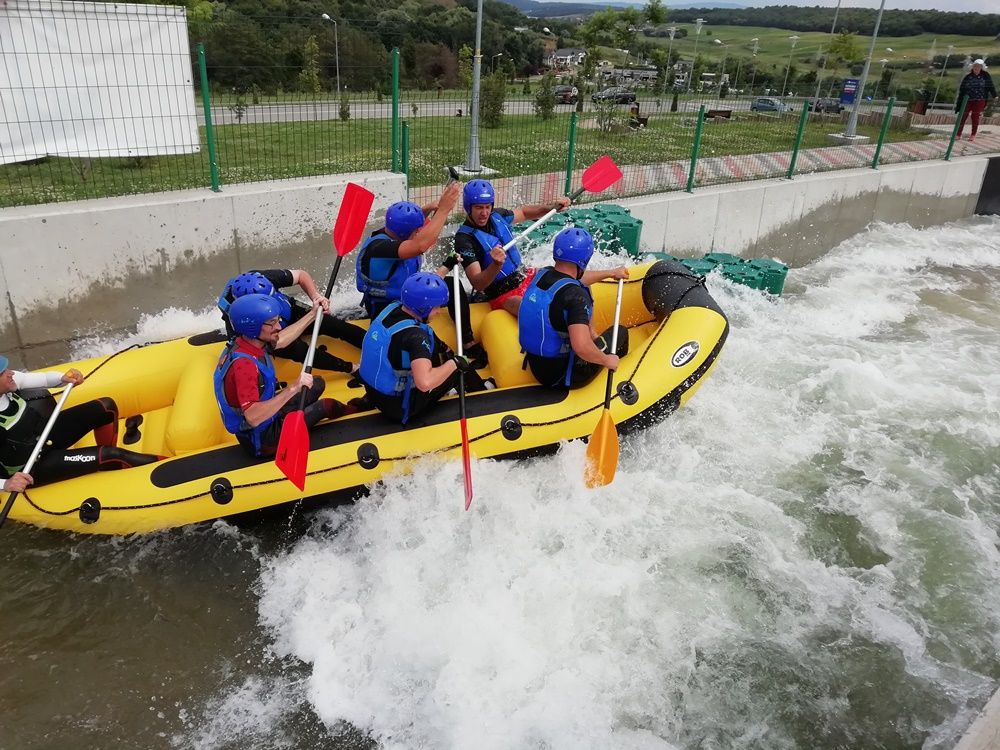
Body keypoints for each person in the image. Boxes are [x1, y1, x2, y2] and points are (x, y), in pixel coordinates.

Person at [214, 294, 359, 457]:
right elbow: (253, 417)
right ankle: (358, 412)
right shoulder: (244, 366)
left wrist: (313, 314)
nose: (278, 327)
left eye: (277, 320)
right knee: (325, 406)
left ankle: (295, 414)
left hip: (269, 414)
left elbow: (282, 339)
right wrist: (293, 388)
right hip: (263, 438)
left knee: (317, 383)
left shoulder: (247, 342)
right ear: (253, 327)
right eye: (272, 323)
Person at [0, 355, 161, 490]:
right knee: (111, 455)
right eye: (2, 373)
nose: (10, 373)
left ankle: (110, 465)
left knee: (106, 407)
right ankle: (167, 464)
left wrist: (62, 378)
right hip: (31, 465)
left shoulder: (10, 381)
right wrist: (6, 483)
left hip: (43, 435)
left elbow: (38, 378)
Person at [359, 272, 493, 425]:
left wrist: (446, 350)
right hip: (400, 408)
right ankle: (483, 394)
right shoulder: (416, 337)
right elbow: (424, 382)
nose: (439, 311)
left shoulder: (392, 308)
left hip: (374, 394)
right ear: (424, 308)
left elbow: (424, 336)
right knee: (459, 367)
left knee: (438, 353)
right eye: (436, 307)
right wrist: (454, 362)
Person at [518, 227, 630, 389]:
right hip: (565, 375)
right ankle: (619, 376)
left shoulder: (543, 275)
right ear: (584, 260)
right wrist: (607, 360)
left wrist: (611, 273)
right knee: (620, 332)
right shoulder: (576, 297)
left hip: (537, 367)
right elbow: (582, 346)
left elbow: (578, 279)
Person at [453, 179, 572, 316]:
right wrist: (496, 265)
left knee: (562, 279)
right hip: (503, 295)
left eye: (487, 207)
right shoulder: (464, 239)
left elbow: (525, 213)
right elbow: (478, 284)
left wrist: (550, 208)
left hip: (524, 275)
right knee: (533, 310)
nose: (484, 213)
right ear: (469, 208)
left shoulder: (498, 215)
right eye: (479, 207)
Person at [219, 270, 365, 376]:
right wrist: (312, 315)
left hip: (288, 312)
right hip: (267, 334)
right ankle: (351, 368)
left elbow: (301, 275)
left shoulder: (259, 279)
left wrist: (315, 297)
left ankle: (378, 348)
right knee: (301, 351)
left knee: (334, 325)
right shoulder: (241, 322)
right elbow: (277, 342)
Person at [355, 182, 461, 319]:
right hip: (385, 309)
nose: (419, 232)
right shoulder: (379, 248)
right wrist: (444, 210)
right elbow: (420, 246)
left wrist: (429, 208)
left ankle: (466, 337)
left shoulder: (393, 232)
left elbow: (409, 227)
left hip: (406, 299)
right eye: (417, 230)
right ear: (404, 234)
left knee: (451, 284)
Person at [956, 59, 996, 142]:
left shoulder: (985, 76)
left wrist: (994, 95)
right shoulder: (968, 77)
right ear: (972, 67)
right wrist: (960, 99)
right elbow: (962, 89)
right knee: (963, 116)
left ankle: (973, 134)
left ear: (981, 67)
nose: (976, 67)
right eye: (975, 66)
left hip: (979, 100)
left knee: (975, 117)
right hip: (967, 100)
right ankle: (958, 134)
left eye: (978, 66)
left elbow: (990, 86)